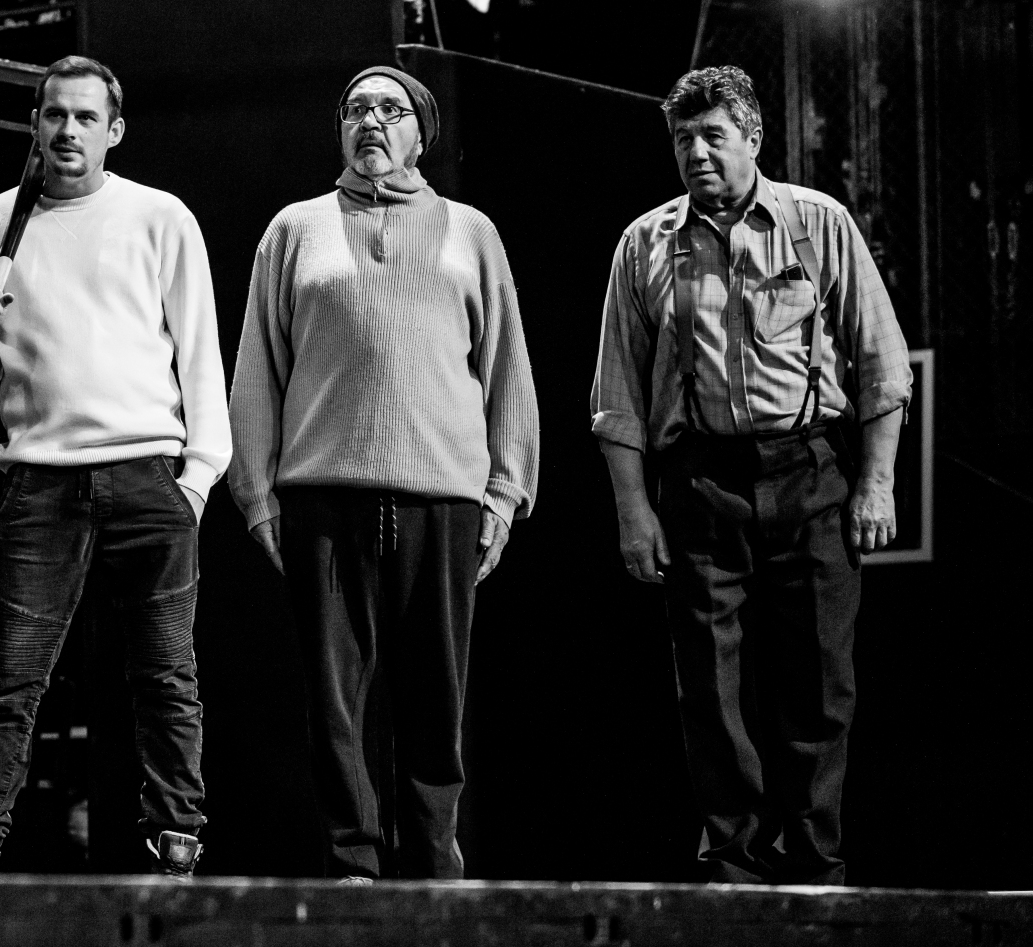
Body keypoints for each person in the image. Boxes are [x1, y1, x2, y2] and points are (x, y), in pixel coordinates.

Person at [591, 65, 911, 885]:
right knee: (711, 683)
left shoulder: (817, 222)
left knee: (820, 682)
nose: (696, 152)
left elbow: (882, 367)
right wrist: (634, 510)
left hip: (809, 470)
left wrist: (876, 484)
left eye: (712, 135)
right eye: (683, 139)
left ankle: (815, 863)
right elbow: (617, 397)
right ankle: (735, 864)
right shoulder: (645, 243)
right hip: (700, 481)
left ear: (753, 137)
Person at [227, 66, 538, 882]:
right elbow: (257, 367)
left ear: (420, 133)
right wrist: (257, 497)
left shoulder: (471, 230)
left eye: (390, 109)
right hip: (324, 499)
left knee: (436, 697)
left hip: (443, 498)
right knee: (336, 702)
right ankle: (353, 864)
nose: (371, 120)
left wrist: (506, 492)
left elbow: (507, 368)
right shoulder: (295, 228)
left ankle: (432, 862)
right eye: (356, 109)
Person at [0, 55, 229, 879]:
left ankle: (176, 845)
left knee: (166, 676)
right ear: (35, 124)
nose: (68, 131)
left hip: (147, 472)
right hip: (41, 477)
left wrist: (198, 477)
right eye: (55, 115)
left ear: (114, 130)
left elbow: (199, 351)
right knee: (10, 676)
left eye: (86, 118)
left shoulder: (159, 216)